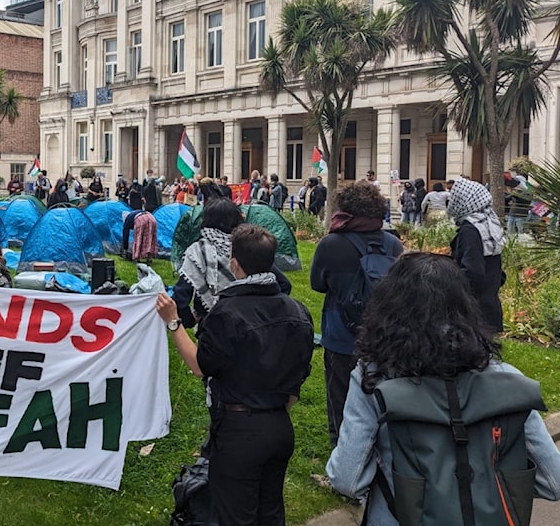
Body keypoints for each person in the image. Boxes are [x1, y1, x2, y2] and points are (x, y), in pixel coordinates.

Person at [326, 253, 560, 524]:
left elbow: (348, 480)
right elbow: (556, 482)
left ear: (388, 307)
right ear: (465, 306)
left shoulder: (373, 379)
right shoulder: (507, 382)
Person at [156, 224, 315, 525]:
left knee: (235, 516)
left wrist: (174, 322)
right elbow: (299, 373)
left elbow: (200, 366)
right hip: (280, 426)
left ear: (234, 264)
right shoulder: (298, 311)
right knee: (270, 513)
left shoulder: (226, 313)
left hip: (239, 431)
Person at [310, 182, 403, 447]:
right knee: (382, 391)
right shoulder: (393, 244)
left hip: (342, 334)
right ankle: (381, 445)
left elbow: (317, 284)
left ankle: (344, 453)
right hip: (385, 332)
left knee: (340, 394)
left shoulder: (331, 244)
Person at [172, 198, 293, 329]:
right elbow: (283, 284)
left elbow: (181, 296)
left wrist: (189, 320)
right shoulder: (248, 246)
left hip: (211, 322)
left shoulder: (198, 251)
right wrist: (267, 310)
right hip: (252, 322)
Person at [448, 177, 506, 333]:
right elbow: (498, 271)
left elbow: (473, 272)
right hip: (490, 306)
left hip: (474, 312)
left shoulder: (471, 229)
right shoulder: (489, 223)